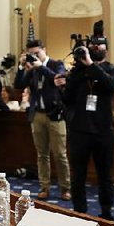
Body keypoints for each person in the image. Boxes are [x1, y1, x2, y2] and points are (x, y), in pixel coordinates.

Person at [61, 39, 114, 219]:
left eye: (100, 45)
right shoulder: (78, 71)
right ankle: (79, 210)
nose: (96, 47)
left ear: (107, 50)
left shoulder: (113, 69)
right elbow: (68, 98)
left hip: (103, 130)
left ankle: (106, 210)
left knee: (105, 175)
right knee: (78, 174)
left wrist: (90, 64)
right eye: (93, 45)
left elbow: (111, 85)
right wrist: (77, 72)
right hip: (79, 129)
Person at [14, 39, 71, 200]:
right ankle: (44, 186)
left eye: (37, 53)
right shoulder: (31, 69)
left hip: (55, 115)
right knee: (42, 154)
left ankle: (65, 188)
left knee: (60, 154)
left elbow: (58, 79)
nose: (34, 56)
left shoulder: (55, 64)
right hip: (37, 115)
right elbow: (19, 84)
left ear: (44, 50)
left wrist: (41, 67)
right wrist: (21, 66)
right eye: (31, 54)